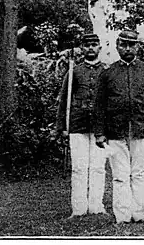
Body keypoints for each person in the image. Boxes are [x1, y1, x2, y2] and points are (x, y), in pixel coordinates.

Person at [93, 30, 144, 224]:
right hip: (115, 131)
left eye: (131, 45)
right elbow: (99, 105)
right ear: (117, 47)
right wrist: (99, 133)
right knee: (120, 175)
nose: (127, 49)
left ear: (138, 47)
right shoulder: (108, 73)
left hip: (141, 129)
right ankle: (122, 215)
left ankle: (139, 212)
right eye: (123, 45)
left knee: (139, 172)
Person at [56, 32, 107, 217]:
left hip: (100, 125)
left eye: (94, 45)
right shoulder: (74, 71)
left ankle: (96, 206)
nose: (90, 48)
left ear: (99, 47)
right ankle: (78, 209)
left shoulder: (106, 71)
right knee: (79, 167)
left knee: (98, 167)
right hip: (78, 123)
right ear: (82, 48)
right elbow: (64, 100)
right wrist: (62, 127)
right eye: (87, 45)